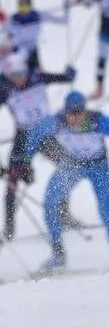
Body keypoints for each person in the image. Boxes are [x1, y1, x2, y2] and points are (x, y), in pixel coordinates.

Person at [21, 91, 109, 274]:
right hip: (72, 165)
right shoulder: (57, 121)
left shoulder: (97, 120)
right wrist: (26, 161)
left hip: (99, 167)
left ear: (85, 110)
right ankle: (58, 255)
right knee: (51, 203)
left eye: (78, 112)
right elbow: (35, 135)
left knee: (108, 210)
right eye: (71, 113)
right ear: (65, 111)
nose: (75, 117)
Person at [0, 53, 77, 240]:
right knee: (12, 181)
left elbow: (64, 78)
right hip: (23, 136)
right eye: (13, 75)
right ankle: (8, 228)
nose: (18, 79)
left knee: (68, 167)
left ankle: (64, 213)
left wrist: (69, 74)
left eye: (21, 74)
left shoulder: (38, 77)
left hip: (44, 135)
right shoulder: (4, 89)